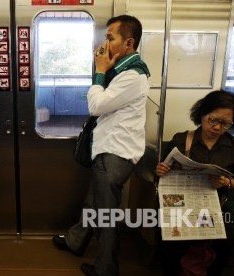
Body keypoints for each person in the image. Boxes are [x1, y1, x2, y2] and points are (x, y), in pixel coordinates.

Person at [52, 15, 150, 276]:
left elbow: (96, 105)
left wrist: (99, 70)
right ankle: (76, 240)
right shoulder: (120, 70)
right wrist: (104, 68)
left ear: (128, 43)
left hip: (115, 153)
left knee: (105, 217)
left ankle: (106, 269)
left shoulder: (133, 75)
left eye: (110, 38)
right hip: (109, 149)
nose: (104, 43)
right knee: (93, 201)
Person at [155, 90, 234, 275]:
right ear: (202, 114)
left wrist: (226, 182)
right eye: (213, 120)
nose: (217, 127)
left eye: (225, 124)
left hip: (215, 206)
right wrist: (160, 171)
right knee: (170, 243)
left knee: (224, 245)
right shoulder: (181, 140)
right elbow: (161, 176)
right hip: (180, 205)